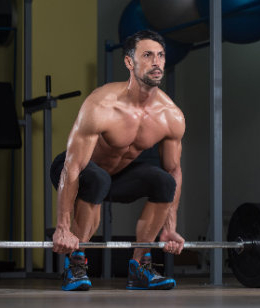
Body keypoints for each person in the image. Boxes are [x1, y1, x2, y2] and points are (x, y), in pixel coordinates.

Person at [50, 30, 185, 291]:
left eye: (160, 55)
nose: (156, 62)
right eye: (147, 55)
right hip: (74, 170)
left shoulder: (171, 116)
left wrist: (170, 227)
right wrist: (62, 228)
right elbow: (73, 166)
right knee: (97, 178)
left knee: (163, 180)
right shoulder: (102, 104)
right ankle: (75, 265)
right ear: (129, 62)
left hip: (117, 177)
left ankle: (139, 267)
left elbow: (174, 170)